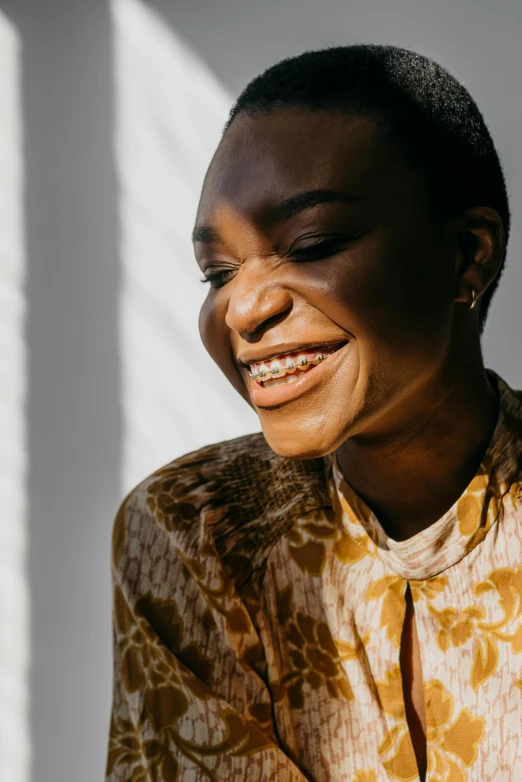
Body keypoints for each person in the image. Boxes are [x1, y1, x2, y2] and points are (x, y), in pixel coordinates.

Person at [105, 45, 522, 782]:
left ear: (467, 254)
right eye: (218, 273)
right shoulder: (195, 530)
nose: (245, 306)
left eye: (313, 243)